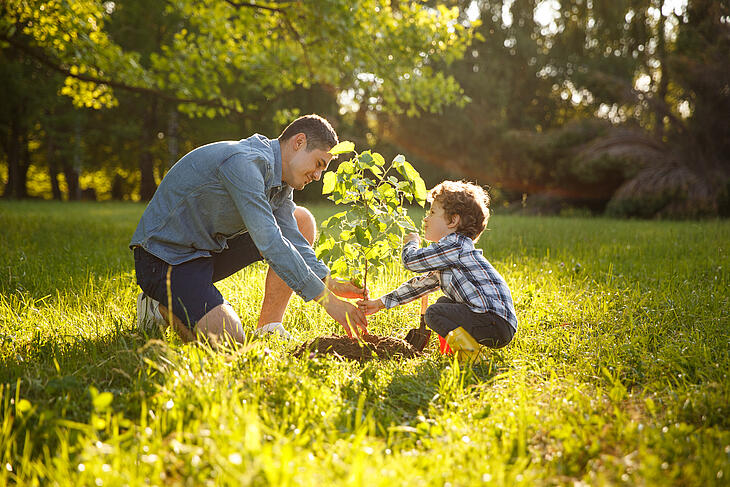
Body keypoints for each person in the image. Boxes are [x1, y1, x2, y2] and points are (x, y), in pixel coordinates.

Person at [130, 114, 368, 345]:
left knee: (301, 220)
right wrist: (329, 302)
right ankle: (158, 307)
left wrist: (329, 282)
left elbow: (292, 237)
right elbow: (271, 243)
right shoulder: (245, 163)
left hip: (205, 251)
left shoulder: (282, 181)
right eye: (318, 164)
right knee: (230, 340)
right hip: (164, 259)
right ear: (299, 142)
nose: (317, 176)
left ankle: (269, 328)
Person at [357, 180, 517, 359]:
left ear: (453, 220)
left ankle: (471, 356)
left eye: (432, 212)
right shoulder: (450, 254)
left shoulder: (454, 245)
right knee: (442, 303)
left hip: (493, 321)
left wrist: (411, 243)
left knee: (433, 313)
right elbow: (419, 286)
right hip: (496, 322)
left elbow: (411, 261)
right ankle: (454, 352)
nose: (426, 218)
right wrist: (379, 303)